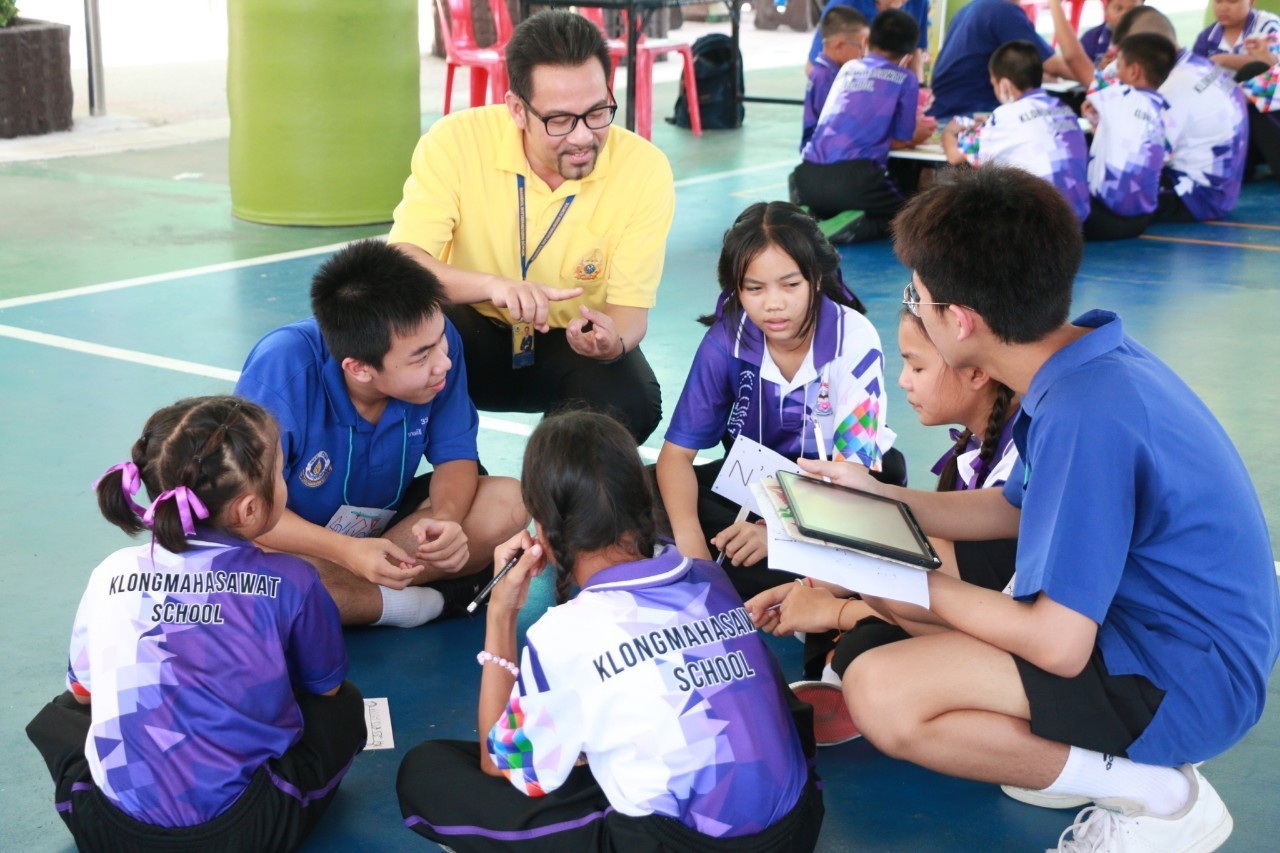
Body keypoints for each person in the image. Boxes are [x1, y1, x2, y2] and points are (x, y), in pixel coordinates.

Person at [799, 165, 1280, 849]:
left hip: (1187, 679)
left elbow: (1057, 643)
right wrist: (880, 496)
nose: (915, 306)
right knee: (907, 606)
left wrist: (906, 579)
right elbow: (1013, 510)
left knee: (885, 692)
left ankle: (1162, 795)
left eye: (917, 296)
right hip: (1162, 632)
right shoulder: (1082, 360)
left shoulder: (1087, 415)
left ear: (960, 321)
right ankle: (1093, 756)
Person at [396, 411, 824, 851]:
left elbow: (503, 763)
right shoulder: (708, 577)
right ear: (644, 503)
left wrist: (501, 614)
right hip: (797, 827)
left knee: (428, 770)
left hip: (679, 846)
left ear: (542, 531)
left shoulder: (565, 633)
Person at [26, 396, 365, 852]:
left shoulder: (111, 571)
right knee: (344, 708)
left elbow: (83, 693)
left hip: (107, 830)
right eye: (280, 473)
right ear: (248, 509)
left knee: (62, 714)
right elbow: (325, 689)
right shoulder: (293, 580)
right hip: (244, 832)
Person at [388, 9, 675, 445]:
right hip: (466, 334)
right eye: (559, 120)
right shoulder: (456, 142)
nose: (583, 137)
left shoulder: (643, 168)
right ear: (517, 110)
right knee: (387, 335)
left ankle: (558, 482)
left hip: (568, 343)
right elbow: (403, 264)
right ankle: (440, 474)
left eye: (598, 112)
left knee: (632, 400)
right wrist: (494, 287)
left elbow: (630, 314)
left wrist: (609, 342)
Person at [747, 307, 1019, 745]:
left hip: (1006, 631)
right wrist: (813, 584)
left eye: (917, 367)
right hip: (971, 606)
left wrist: (834, 608)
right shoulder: (977, 447)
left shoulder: (1017, 465)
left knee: (864, 641)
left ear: (975, 371)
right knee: (858, 606)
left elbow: (930, 585)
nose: (903, 381)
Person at [235, 240, 528, 628]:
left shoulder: (437, 346)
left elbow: (456, 455)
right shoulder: (282, 367)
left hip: (389, 531)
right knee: (256, 581)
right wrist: (346, 552)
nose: (443, 362)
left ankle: (342, 598)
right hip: (293, 539)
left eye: (440, 341)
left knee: (509, 501)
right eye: (421, 357)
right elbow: (248, 508)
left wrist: (447, 520)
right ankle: (421, 602)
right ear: (359, 369)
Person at [657, 202, 897, 602]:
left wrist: (778, 533)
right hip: (756, 488)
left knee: (867, 529)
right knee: (638, 495)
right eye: (754, 288)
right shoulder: (726, 340)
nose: (773, 303)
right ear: (735, 288)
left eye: (790, 285)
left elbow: (853, 477)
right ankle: (785, 579)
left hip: (840, 493)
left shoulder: (853, 339)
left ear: (816, 278)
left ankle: (801, 582)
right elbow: (676, 457)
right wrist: (695, 554)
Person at [792, 9, 934, 243]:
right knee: (911, 215)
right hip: (855, 181)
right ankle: (853, 227)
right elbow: (902, 138)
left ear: (867, 42)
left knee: (848, 195)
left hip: (806, 178)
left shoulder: (846, 69)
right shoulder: (906, 78)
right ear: (908, 57)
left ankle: (815, 215)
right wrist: (917, 135)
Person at [1116, 6, 1249, 220]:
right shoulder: (1199, 65)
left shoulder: (1172, 88)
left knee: (1100, 193)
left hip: (1194, 197)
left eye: (1125, 58)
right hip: (1221, 190)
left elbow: (1146, 160)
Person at [942, 41, 1091, 223]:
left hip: (1037, 222)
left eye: (994, 84)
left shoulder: (1006, 115)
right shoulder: (1064, 108)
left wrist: (949, 131)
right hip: (1077, 218)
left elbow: (955, 155)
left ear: (1004, 84)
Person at [927, 0, 1092, 121]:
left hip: (943, 111)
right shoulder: (1003, 11)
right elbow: (1054, 65)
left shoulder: (970, 9)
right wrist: (1093, 76)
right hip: (973, 113)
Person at [1080, 33, 1176, 241]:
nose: (1116, 71)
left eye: (1119, 65)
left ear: (1134, 71)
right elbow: (1161, 157)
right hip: (1141, 219)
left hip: (1104, 217)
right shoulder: (1164, 112)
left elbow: (1074, 59)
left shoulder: (1122, 97)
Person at [806, 0, 930, 79]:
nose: (899, 4)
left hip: (890, 93)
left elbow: (915, 52)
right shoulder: (845, 5)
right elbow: (814, 68)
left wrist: (918, 92)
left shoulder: (919, 3)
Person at [803, 6, 870, 150]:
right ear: (839, 45)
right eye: (860, 47)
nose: (863, 54)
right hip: (825, 155)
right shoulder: (824, 78)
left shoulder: (831, 73)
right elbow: (834, 124)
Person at [1193, 0, 1280, 71]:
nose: (1223, 8)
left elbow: (1273, 64)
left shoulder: (1269, 25)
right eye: (1218, 1)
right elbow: (1194, 70)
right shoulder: (1206, 37)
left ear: (1251, 2)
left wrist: (1223, 60)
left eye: (1232, 1)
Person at [1079, 0, 1144, 65]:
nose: (1124, 14)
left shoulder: (1148, 37)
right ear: (1106, 10)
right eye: (1118, 8)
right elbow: (1079, 67)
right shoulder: (1090, 38)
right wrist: (1099, 68)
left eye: (1132, 9)